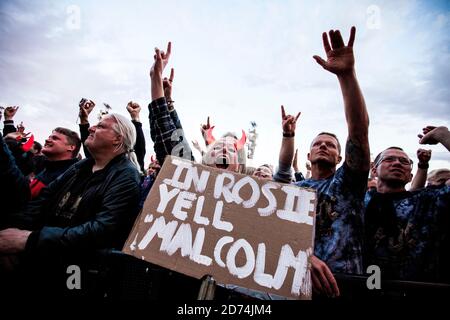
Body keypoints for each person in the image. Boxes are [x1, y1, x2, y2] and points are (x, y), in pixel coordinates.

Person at [0, 113, 141, 297]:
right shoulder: (80, 167)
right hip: (40, 260)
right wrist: (12, 235)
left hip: (77, 273)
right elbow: (43, 199)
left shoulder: (126, 176)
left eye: (100, 126)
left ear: (117, 139)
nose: (91, 128)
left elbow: (101, 229)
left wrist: (30, 240)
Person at [275, 26, 370, 298]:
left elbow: (359, 131)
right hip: (291, 286)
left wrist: (347, 76)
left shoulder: (346, 186)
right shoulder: (295, 188)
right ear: (307, 156)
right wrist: (301, 258)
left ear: (341, 157)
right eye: (317, 143)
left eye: (331, 144)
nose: (324, 146)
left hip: (342, 288)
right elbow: (271, 232)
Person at [365, 126, 450, 283]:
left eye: (404, 161)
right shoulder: (359, 201)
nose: (397, 163)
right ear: (374, 170)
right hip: (363, 286)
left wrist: (444, 136)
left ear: (410, 176)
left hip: (414, 289)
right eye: (389, 159)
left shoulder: (428, 201)